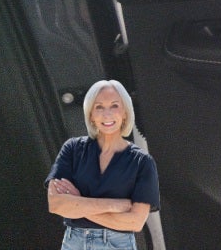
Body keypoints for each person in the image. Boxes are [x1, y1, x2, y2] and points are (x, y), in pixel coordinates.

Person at [45, 79, 160, 250]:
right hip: (74, 242)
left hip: (117, 244)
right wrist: (114, 205)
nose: (107, 114)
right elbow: (56, 204)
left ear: (125, 113)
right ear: (90, 115)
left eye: (114, 106)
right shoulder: (72, 149)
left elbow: (135, 222)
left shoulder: (142, 162)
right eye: (99, 107)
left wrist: (78, 203)